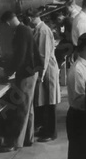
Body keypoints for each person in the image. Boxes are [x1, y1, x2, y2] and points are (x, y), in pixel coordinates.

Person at [0, 11, 43, 151]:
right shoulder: (25, 29)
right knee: (28, 107)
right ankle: (27, 139)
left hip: (27, 73)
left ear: (7, 22)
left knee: (22, 108)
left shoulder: (20, 31)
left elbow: (20, 56)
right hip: (31, 71)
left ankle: (15, 143)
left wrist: (7, 72)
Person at [26, 8, 61, 142]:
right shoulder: (38, 30)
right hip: (44, 69)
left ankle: (51, 132)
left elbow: (43, 55)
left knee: (50, 101)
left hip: (47, 70)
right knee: (45, 100)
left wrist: (41, 73)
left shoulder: (42, 31)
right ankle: (45, 129)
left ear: (31, 18)